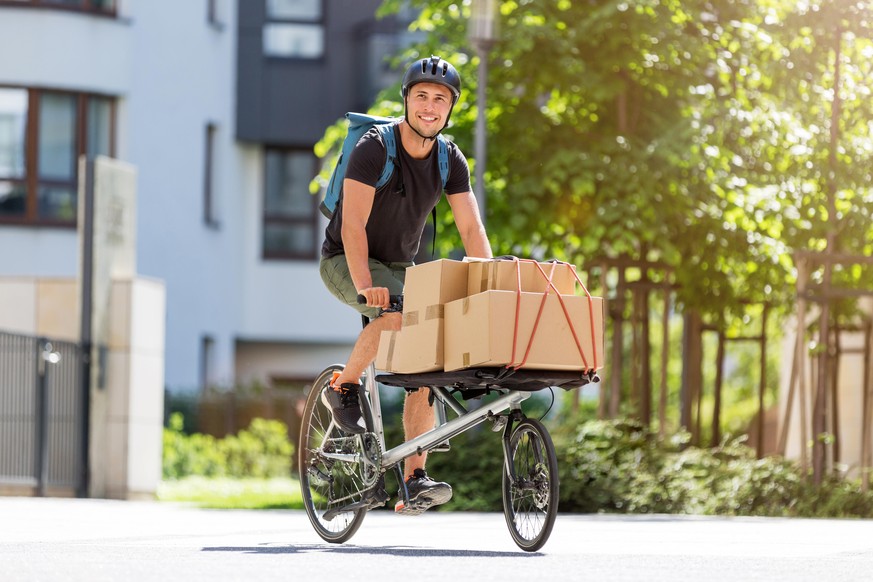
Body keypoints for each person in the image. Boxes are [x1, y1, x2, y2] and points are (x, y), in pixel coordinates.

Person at [319, 55, 492, 515]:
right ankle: (343, 387)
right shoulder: (375, 147)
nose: (430, 106)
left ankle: (415, 476)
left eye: (440, 99)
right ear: (407, 101)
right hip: (345, 259)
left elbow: (473, 232)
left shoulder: (449, 158)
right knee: (395, 314)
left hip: (400, 265)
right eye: (422, 97)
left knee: (426, 367)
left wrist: (490, 282)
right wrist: (364, 286)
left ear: (450, 108)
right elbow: (353, 224)